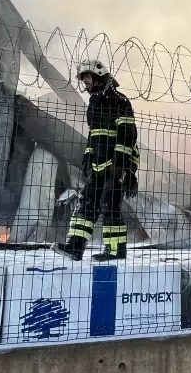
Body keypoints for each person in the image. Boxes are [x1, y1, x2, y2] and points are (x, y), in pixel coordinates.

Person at [54, 59, 139, 261]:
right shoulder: (94, 103)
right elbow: (94, 135)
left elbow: (127, 135)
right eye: (84, 78)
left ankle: (115, 251)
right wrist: (87, 158)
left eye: (88, 77)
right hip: (98, 166)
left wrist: (122, 167)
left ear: (99, 76)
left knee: (110, 205)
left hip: (115, 166)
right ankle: (75, 247)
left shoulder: (120, 101)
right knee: (87, 203)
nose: (86, 82)